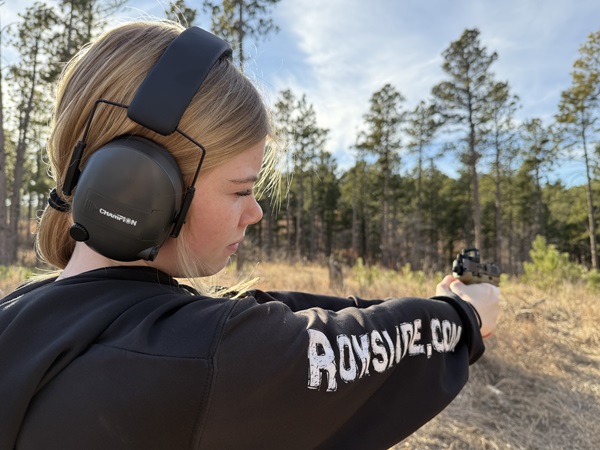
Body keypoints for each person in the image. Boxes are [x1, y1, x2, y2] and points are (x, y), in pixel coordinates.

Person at [0, 20, 500, 450]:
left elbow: (274, 307)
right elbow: (339, 346)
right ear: (140, 189)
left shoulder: (27, 313)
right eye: (241, 190)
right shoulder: (200, 357)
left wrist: (436, 301)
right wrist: (466, 316)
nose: (255, 212)